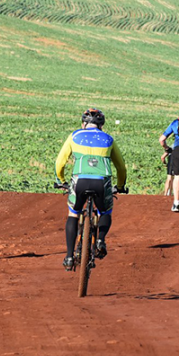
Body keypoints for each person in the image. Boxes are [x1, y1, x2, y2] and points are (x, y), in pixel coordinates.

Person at [55, 108, 127, 271]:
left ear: (83, 124)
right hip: (102, 182)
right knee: (105, 211)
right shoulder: (109, 139)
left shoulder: (74, 136)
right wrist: (121, 186)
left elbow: (60, 162)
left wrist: (61, 180)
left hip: (79, 180)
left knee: (73, 213)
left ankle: (68, 256)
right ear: (101, 125)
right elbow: (121, 167)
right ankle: (100, 239)